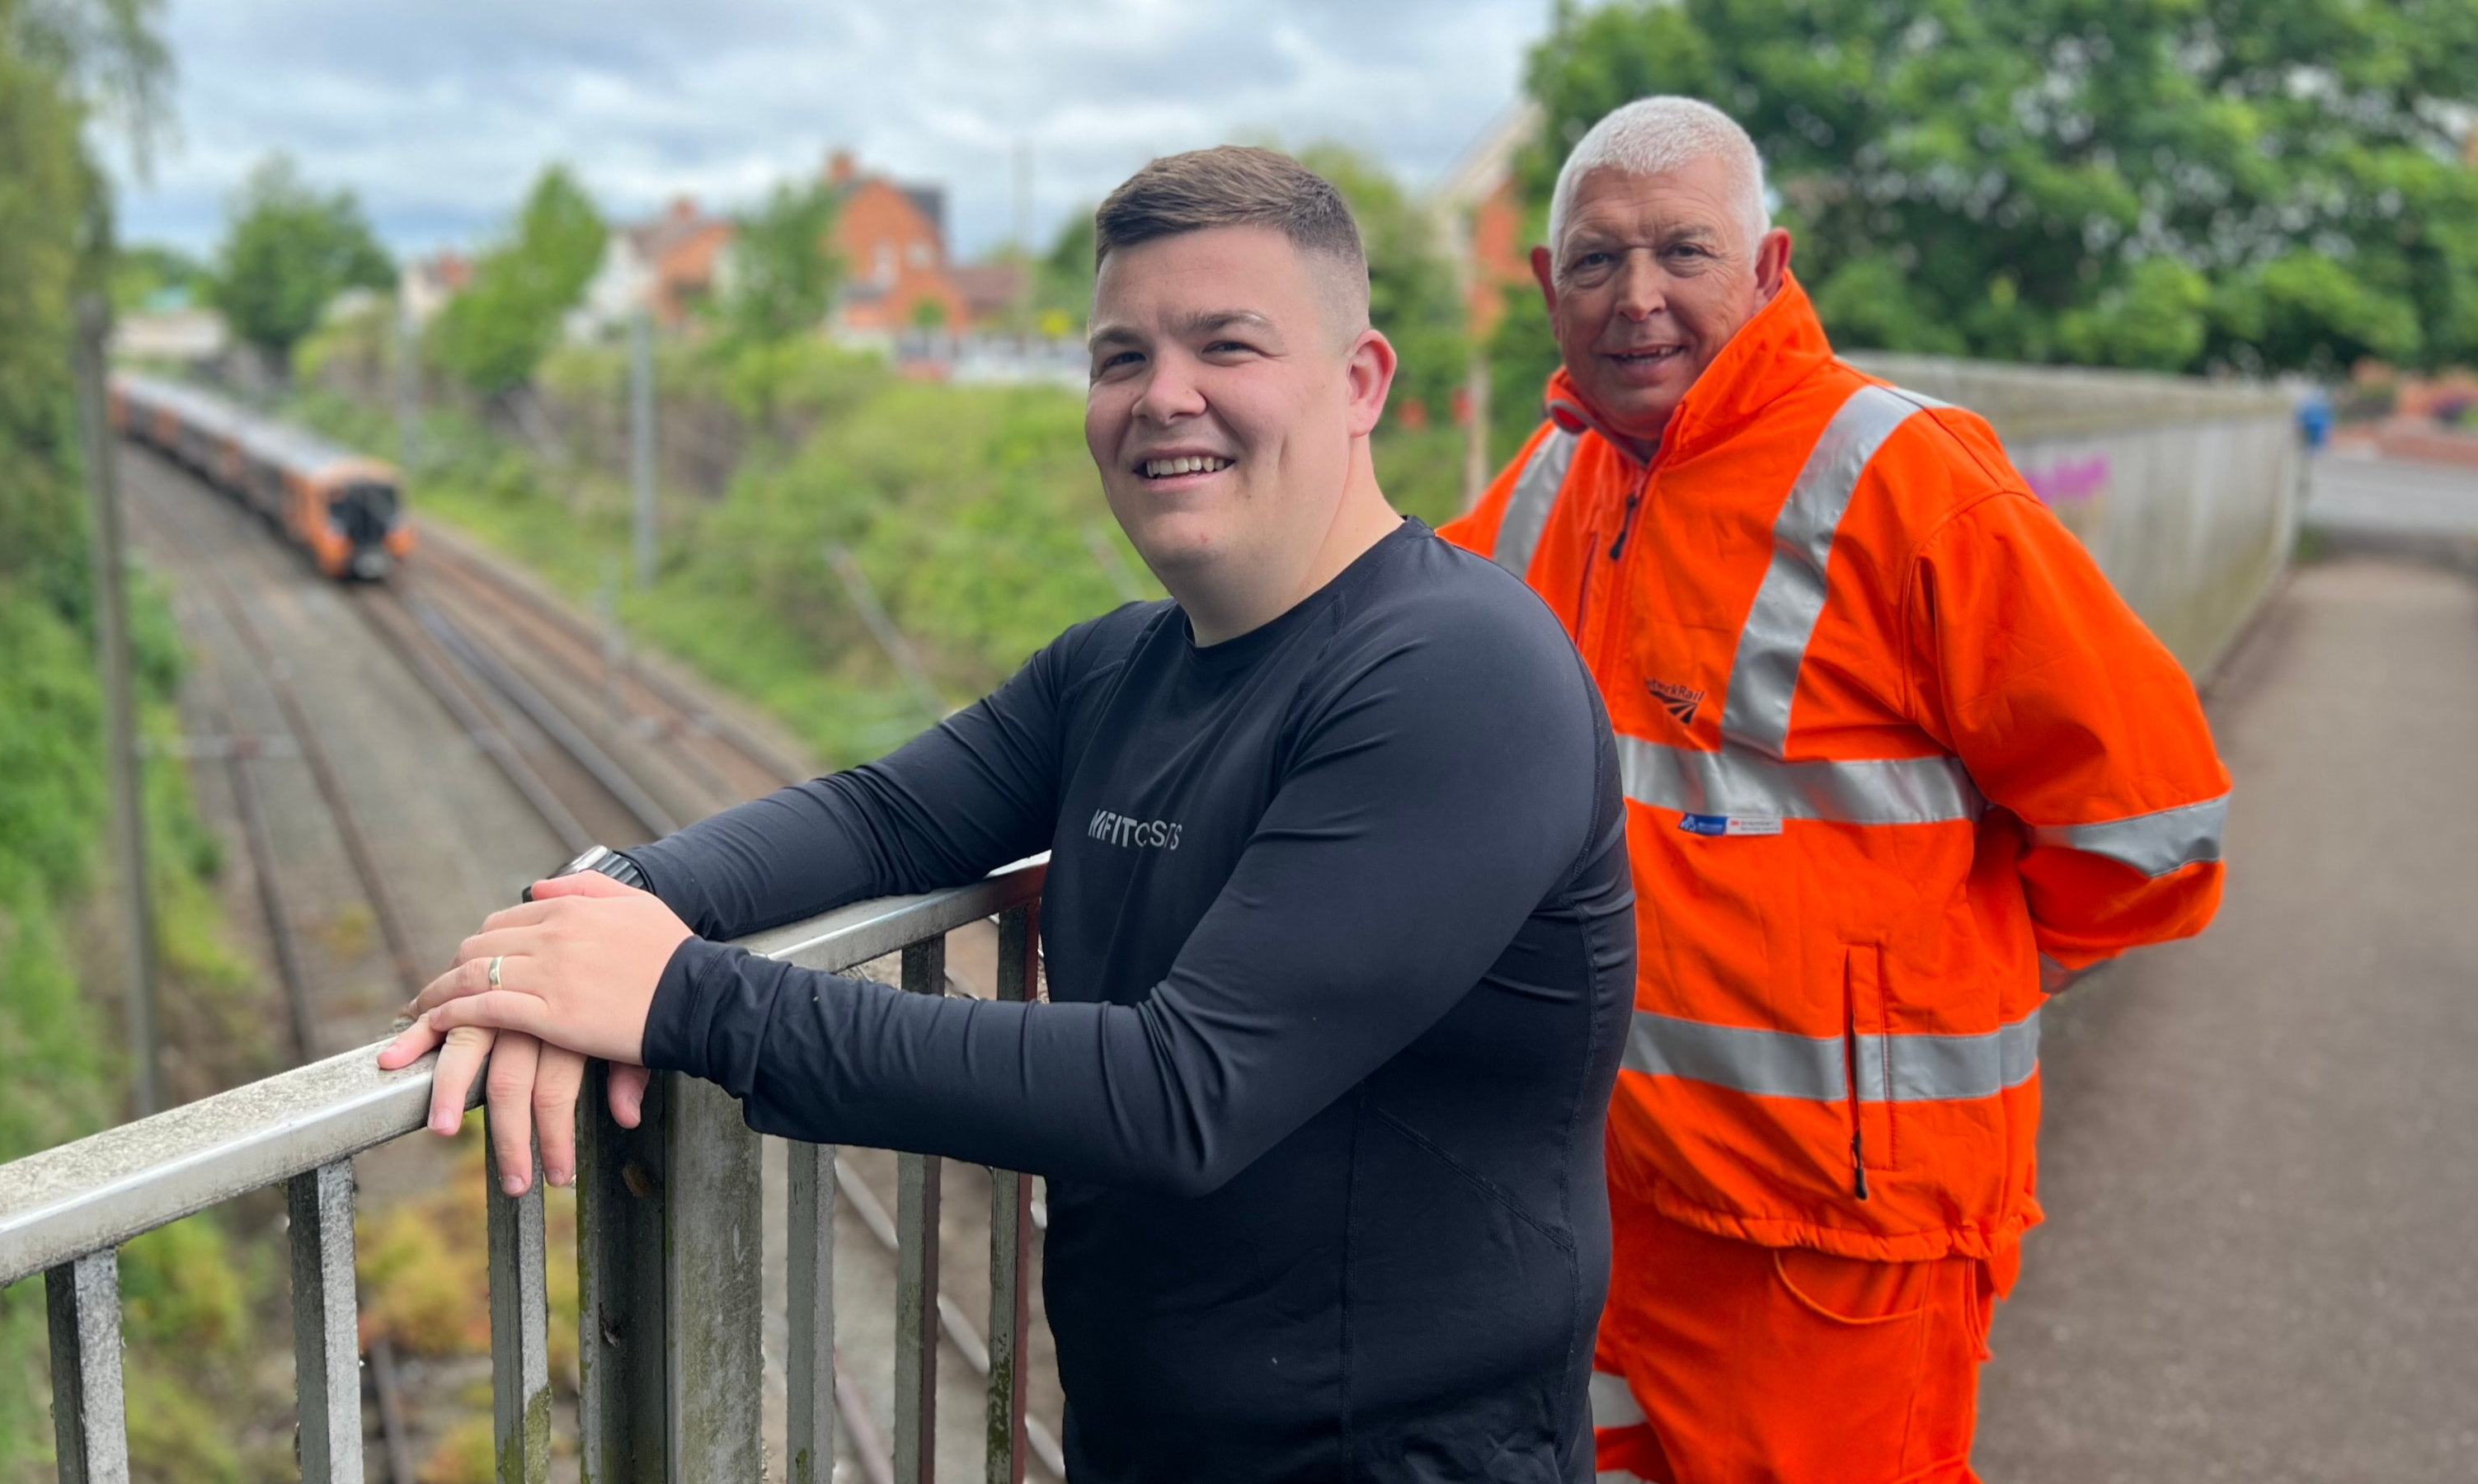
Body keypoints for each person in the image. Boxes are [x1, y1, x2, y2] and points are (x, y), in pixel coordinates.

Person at [383, 145, 1638, 1482]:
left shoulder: (1458, 674)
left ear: (1361, 381)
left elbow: (1182, 1090)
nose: (1163, 396)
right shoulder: (1117, 668)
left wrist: (678, 998)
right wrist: (600, 908)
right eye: (1120, 358)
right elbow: (880, 820)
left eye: (1227, 345)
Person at [1439, 98, 2231, 1483]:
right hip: (1603, 1202)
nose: (1637, 298)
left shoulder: (1906, 477)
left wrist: (1976, 968)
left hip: (1831, 1241)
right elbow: (1398, 676)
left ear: (1767, 266)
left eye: (1684, 251)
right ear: (1548, 284)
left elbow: (2154, 827)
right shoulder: (1555, 479)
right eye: (1597, 260)